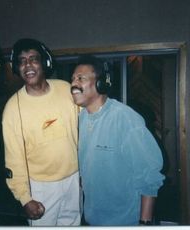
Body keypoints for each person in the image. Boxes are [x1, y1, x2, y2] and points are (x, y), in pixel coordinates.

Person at [70, 55, 165, 226]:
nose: (73, 84)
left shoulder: (125, 119)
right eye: (72, 79)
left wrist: (144, 223)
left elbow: (149, 178)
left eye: (80, 78)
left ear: (101, 83)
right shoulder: (79, 119)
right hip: (93, 219)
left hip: (126, 221)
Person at [2, 38, 81, 226]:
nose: (27, 65)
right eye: (21, 61)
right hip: (40, 187)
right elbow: (14, 160)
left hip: (74, 179)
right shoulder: (12, 109)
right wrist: (24, 198)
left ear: (45, 63)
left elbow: (87, 126)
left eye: (33, 59)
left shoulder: (66, 89)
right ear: (16, 68)